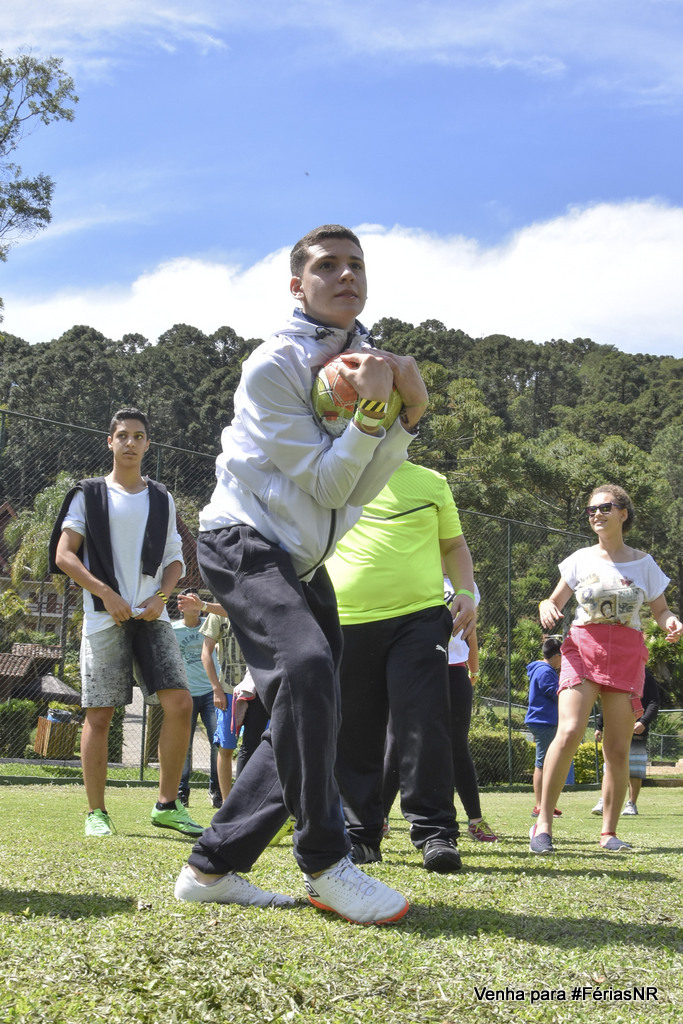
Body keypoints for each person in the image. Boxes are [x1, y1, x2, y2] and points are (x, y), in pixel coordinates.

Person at [174, 224, 429, 921]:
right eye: (327, 266)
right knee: (308, 671)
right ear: (297, 285)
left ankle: (211, 867)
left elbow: (360, 488)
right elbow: (325, 482)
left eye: (356, 265)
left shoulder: (371, 360)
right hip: (242, 539)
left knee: (312, 704)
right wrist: (376, 415)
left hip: (303, 560)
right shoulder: (274, 364)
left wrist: (406, 417)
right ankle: (325, 861)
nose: (346, 275)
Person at [50, 408, 204, 839]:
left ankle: (167, 805)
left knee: (180, 705)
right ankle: (96, 812)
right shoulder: (88, 494)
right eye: (122, 435)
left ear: (148, 445)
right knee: (100, 715)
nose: (130, 443)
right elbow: (64, 555)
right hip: (104, 617)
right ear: (110, 442)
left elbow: (175, 559)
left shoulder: (162, 498)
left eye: (138, 436)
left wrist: (162, 597)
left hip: (153, 617)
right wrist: (106, 594)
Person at [326, 460, 477, 873]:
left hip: (420, 618)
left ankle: (435, 833)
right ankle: (361, 835)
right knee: (355, 729)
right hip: (346, 620)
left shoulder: (432, 482)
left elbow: (454, 546)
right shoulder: (334, 472)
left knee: (425, 721)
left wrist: (465, 592)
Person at [532, 484, 682, 854]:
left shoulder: (644, 564)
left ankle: (609, 833)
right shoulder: (580, 559)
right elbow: (554, 600)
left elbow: (660, 610)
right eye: (591, 510)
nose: (596, 514)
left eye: (605, 507)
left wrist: (670, 622)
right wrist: (546, 606)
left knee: (617, 747)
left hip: (627, 652)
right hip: (583, 647)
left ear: (623, 513)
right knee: (569, 730)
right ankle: (543, 824)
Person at [381, 579, 498, 845]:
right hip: (412, 668)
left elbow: (470, 630)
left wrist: (474, 669)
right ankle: (379, 819)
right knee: (396, 743)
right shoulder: (411, 571)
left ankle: (475, 820)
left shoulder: (465, 583)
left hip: (453, 668)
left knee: (457, 745)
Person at [173, 588, 224, 809]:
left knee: (218, 743)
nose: (193, 604)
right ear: (180, 606)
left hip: (212, 693)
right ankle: (181, 791)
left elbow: (230, 612)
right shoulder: (173, 630)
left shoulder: (211, 623)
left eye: (196, 600)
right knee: (184, 745)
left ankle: (216, 790)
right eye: (188, 600)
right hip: (186, 695)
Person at [591, 668, 661, 816]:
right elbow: (607, 702)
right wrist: (599, 726)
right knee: (609, 766)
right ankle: (604, 801)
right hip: (614, 727)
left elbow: (654, 703)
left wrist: (644, 722)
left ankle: (631, 804)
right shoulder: (615, 673)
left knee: (635, 767)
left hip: (637, 729)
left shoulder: (646, 677)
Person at [199, 611, 241, 803]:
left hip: (256, 692)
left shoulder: (256, 606)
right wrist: (216, 689)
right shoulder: (217, 614)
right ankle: (227, 803)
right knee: (226, 747)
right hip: (228, 692)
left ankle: (249, 802)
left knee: (258, 749)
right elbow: (205, 653)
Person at [525, 637, 564, 819]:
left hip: (542, 721)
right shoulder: (545, 672)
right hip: (544, 722)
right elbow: (556, 694)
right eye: (562, 657)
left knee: (546, 762)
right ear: (556, 656)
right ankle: (540, 806)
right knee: (542, 764)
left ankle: (546, 804)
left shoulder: (541, 669)